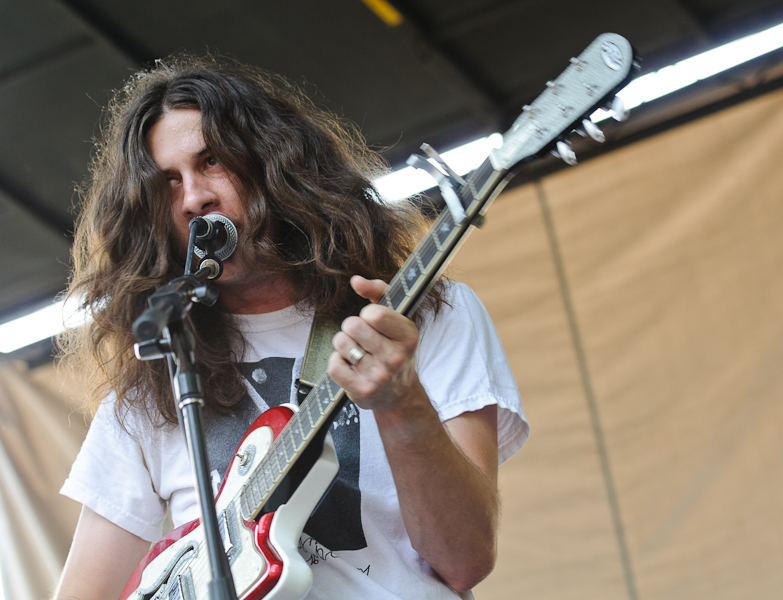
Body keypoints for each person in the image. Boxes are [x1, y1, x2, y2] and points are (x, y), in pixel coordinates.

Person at [55, 55, 528, 600]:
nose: (193, 198)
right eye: (168, 182)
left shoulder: (422, 316)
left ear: (272, 163)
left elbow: (467, 560)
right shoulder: (153, 381)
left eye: (211, 162)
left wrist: (403, 404)